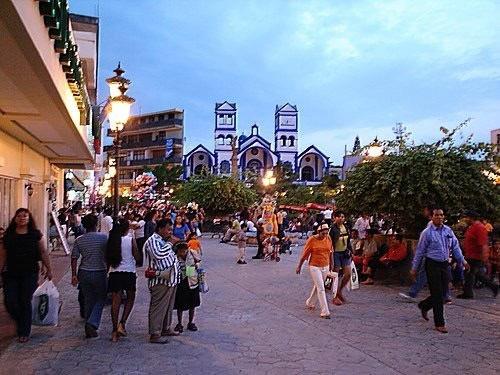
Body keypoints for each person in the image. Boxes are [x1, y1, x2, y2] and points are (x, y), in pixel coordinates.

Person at [411, 208, 469, 334]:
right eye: (436, 215)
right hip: (432, 264)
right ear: (432, 217)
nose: (439, 217)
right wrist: (414, 268)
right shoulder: (427, 233)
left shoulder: (448, 231)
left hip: (444, 264)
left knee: (443, 294)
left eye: (441, 215)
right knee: (437, 293)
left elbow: (455, 247)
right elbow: (420, 251)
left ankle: (425, 305)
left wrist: (462, 261)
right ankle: (440, 323)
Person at [0, 208, 53, 343]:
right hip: (11, 273)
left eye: (25, 216)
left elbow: (43, 252)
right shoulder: (9, 235)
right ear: (15, 218)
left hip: (29, 273)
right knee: (10, 301)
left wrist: (49, 268)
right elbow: (3, 254)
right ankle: (21, 321)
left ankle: (24, 331)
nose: (22, 218)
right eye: (19, 216)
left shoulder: (35, 234)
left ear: (29, 219)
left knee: (25, 301)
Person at [71, 214, 108, 338]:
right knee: (101, 298)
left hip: (84, 272)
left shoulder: (79, 240)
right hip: (100, 271)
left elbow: (74, 258)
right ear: (96, 224)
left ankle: (89, 321)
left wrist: (74, 275)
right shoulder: (104, 238)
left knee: (88, 298)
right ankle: (92, 322)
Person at [143, 219, 180, 344]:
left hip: (170, 279)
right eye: (168, 229)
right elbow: (158, 255)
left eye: (171, 229)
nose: (170, 232)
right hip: (160, 279)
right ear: (160, 229)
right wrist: (170, 244)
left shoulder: (163, 241)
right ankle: (155, 332)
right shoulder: (152, 241)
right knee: (158, 306)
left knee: (168, 306)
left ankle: (165, 327)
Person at [106, 219, 141, 342]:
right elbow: (137, 256)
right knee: (130, 298)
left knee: (116, 301)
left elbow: (107, 259)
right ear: (127, 229)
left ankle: (114, 330)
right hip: (129, 271)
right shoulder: (130, 239)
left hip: (115, 272)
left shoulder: (111, 240)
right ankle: (122, 323)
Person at [457, 211, 498, 299]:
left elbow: (483, 243)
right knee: (477, 274)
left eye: (466, 217)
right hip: (471, 255)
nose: (464, 219)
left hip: (475, 256)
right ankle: (494, 287)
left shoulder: (479, 227)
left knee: (469, 273)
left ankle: (468, 293)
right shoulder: (472, 227)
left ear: (471, 218)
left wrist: (484, 257)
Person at [296, 223, 333, 319]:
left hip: (326, 265)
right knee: (321, 288)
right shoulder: (312, 240)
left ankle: (310, 302)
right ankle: (325, 311)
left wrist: (332, 265)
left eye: (326, 233)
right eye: (323, 233)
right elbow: (305, 254)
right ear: (318, 232)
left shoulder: (328, 238)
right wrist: (299, 266)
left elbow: (331, 252)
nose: (324, 235)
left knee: (318, 286)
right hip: (314, 266)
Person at [173, 242, 201, 333]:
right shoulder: (175, 257)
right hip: (181, 283)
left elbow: (198, 262)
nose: (182, 253)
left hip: (192, 281)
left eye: (184, 251)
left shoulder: (192, 253)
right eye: (180, 251)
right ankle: (179, 323)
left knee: (193, 304)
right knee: (180, 305)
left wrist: (196, 267)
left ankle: (191, 322)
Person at [329, 211, 352, 305]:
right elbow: (329, 243)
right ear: (334, 218)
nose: (341, 218)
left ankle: (339, 291)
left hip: (345, 253)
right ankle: (334, 296)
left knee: (348, 273)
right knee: (335, 275)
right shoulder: (332, 229)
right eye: (339, 217)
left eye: (342, 217)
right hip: (336, 253)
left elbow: (348, 240)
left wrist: (351, 251)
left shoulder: (345, 227)